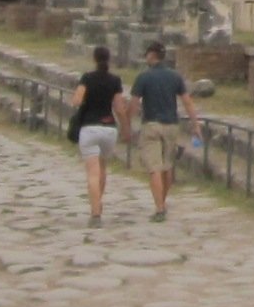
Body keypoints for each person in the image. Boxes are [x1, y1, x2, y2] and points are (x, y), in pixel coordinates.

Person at [122, 40, 197, 224]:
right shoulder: (175, 76)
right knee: (168, 166)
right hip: (171, 125)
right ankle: (162, 201)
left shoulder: (144, 77)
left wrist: (127, 124)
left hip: (151, 124)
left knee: (154, 168)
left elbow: (134, 104)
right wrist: (195, 124)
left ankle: (159, 208)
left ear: (151, 55)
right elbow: (187, 101)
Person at [69, 46, 126, 225]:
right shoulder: (115, 80)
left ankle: (95, 213)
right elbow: (119, 108)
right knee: (102, 169)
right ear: (109, 59)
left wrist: (81, 99)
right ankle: (98, 202)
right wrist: (126, 127)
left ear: (94, 59)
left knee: (93, 173)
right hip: (108, 128)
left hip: (90, 128)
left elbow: (77, 100)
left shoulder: (87, 78)